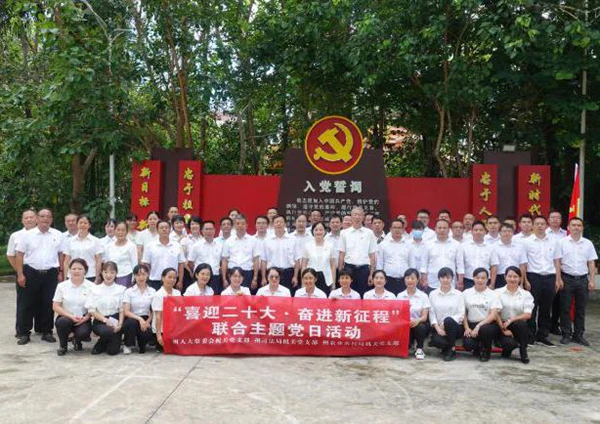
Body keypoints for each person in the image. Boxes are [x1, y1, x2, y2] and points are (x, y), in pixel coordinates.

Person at [15, 208, 63, 345]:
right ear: (37, 218)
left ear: (51, 219)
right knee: (26, 303)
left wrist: (60, 272)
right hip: (31, 272)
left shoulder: (58, 234)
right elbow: (19, 255)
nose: (45, 219)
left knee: (48, 303)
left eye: (48, 216)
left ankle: (46, 331)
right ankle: (24, 333)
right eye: (42, 216)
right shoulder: (27, 235)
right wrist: (20, 274)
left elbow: (60, 254)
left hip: (51, 273)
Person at [522, 215, 561, 347]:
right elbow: (524, 263)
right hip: (533, 277)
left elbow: (556, 261)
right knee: (532, 307)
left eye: (542, 224)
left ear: (546, 226)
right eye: (537, 224)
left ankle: (542, 336)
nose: (540, 226)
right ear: (533, 226)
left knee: (546, 307)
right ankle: (530, 335)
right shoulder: (527, 242)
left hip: (550, 277)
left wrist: (558, 279)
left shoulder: (553, 241)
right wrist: (525, 280)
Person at [558, 217, 597, 346]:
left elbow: (591, 263)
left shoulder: (588, 243)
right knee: (565, 308)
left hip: (582, 280)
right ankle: (566, 334)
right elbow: (557, 262)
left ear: (582, 228)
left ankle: (578, 335)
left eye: (579, 225)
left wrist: (592, 280)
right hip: (566, 278)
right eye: (573, 225)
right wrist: (558, 278)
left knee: (581, 309)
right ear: (568, 227)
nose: (576, 227)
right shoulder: (562, 242)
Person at [52, 258, 94, 356]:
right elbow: (55, 306)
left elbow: (94, 307)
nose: (76, 271)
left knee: (83, 333)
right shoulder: (62, 286)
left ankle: (76, 340)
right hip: (66, 316)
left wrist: (86, 318)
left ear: (85, 271)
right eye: (74, 269)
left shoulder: (92, 287)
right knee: (62, 322)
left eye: (80, 269)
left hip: (83, 317)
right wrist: (71, 316)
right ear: (69, 270)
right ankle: (63, 346)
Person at [6, 209, 38, 336]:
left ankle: (42, 328)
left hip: (41, 271)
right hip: (24, 271)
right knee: (24, 303)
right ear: (22, 220)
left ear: (36, 219)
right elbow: (10, 255)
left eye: (31, 217)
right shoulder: (16, 235)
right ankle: (22, 330)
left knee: (41, 301)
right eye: (26, 218)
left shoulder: (43, 234)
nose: (29, 219)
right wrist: (19, 271)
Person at [495, 266, 534, 363]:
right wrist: (503, 329)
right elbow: (496, 313)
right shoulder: (497, 293)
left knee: (521, 324)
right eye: (510, 276)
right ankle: (507, 349)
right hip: (501, 324)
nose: (512, 279)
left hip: (518, 325)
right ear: (505, 277)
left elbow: (528, 314)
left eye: (515, 276)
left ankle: (523, 352)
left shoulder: (526, 294)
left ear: (520, 278)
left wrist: (511, 320)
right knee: (508, 344)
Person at [86, 262, 125, 355]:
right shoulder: (94, 289)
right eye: (106, 272)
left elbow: (122, 310)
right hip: (100, 320)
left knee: (113, 351)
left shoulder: (121, 289)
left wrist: (120, 324)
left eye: (112, 272)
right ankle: (101, 344)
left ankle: (108, 342)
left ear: (116, 274)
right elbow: (91, 310)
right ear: (101, 272)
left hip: (115, 320)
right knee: (107, 331)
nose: (108, 275)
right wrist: (105, 320)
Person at [462, 268, 501, 361]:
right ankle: (478, 348)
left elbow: (493, 315)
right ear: (473, 278)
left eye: (483, 278)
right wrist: (467, 328)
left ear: (487, 279)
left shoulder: (493, 294)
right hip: (471, 324)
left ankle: (486, 351)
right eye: (477, 277)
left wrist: (478, 326)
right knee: (468, 344)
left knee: (485, 330)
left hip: (487, 324)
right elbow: (463, 312)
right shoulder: (466, 293)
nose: (480, 280)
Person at [338, 206, 377, 297]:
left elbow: (372, 255)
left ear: (363, 217)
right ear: (351, 216)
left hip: (364, 269)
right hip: (348, 268)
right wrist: (340, 273)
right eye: (355, 214)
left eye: (359, 215)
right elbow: (341, 254)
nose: (357, 217)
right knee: (348, 295)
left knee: (362, 295)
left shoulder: (369, 233)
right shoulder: (344, 233)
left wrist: (371, 274)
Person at [428, 267, 465, 361]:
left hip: (455, 327)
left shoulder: (459, 294)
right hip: (439, 328)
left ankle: (451, 350)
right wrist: (437, 328)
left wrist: (445, 323)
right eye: (443, 277)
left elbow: (461, 314)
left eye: (448, 277)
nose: (445, 280)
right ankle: (448, 348)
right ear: (439, 278)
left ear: (452, 279)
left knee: (448, 320)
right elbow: (431, 313)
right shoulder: (432, 294)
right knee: (436, 341)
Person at [420, 219, 464, 293]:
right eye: (439, 228)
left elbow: (460, 265)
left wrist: (460, 281)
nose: (442, 230)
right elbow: (424, 264)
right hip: (432, 282)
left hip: (450, 282)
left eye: (444, 228)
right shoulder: (428, 244)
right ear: (435, 229)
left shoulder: (456, 245)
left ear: (449, 230)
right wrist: (424, 279)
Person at [397, 268, 430, 360]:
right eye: (407, 278)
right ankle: (409, 344)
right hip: (405, 325)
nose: (410, 280)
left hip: (418, 324)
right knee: (405, 347)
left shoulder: (423, 296)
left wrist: (417, 320)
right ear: (404, 280)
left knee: (421, 327)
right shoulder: (400, 296)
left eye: (412, 278)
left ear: (418, 280)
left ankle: (419, 349)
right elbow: (397, 314)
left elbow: (424, 317)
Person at [221, 214, 260, 292]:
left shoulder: (253, 240)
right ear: (234, 225)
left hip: (247, 273)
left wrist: (255, 278)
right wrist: (224, 279)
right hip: (232, 272)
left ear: (246, 225)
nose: (240, 226)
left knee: (246, 296)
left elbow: (256, 260)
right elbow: (224, 261)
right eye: (238, 223)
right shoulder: (228, 241)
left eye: (243, 223)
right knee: (231, 296)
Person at [142, 220, 185, 291]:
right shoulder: (150, 246)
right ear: (157, 230)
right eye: (161, 228)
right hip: (155, 280)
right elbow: (146, 264)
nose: (164, 229)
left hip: (173, 281)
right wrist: (147, 279)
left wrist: (180, 281)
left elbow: (181, 265)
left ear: (170, 230)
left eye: (166, 227)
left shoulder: (177, 246)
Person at [122, 264, 156, 354]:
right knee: (131, 323)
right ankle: (127, 344)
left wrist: (148, 321)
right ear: (134, 276)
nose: (141, 277)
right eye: (138, 275)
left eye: (144, 274)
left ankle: (141, 342)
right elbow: (126, 311)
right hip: (132, 317)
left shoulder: (152, 291)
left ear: (147, 275)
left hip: (146, 318)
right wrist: (140, 319)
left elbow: (154, 310)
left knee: (143, 346)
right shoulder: (129, 291)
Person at [376, 219, 415, 295]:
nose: (397, 230)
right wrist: (380, 279)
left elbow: (412, 264)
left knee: (404, 301)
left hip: (405, 280)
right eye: (394, 227)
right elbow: (379, 265)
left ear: (403, 229)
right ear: (390, 229)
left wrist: (412, 279)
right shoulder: (383, 245)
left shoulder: (409, 245)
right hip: (388, 280)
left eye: (399, 228)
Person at [62, 215, 102, 283]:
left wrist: (97, 276)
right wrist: (65, 278)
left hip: (90, 275)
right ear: (77, 224)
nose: (83, 225)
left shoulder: (96, 241)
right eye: (80, 223)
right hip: (73, 275)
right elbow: (66, 261)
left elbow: (98, 260)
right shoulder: (69, 241)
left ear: (89, 225)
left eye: (85, 223)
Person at [461, 220, 499, 289]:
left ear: (485, 232)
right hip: (468, 280)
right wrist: (460, 281)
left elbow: (494, 266)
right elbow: (460, 265)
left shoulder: (491, 247)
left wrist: (492, 283)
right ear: (471, 232)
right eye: (476, 230)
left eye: (481, 230)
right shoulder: (463, 246)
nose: (478, 232)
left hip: (485, 281)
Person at [187, 220, 222, 294]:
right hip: (200, 278)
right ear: (202, 231)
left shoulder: (219, 245)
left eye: (211, 229)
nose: (209, 231)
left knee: (214, 298)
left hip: (215, 277)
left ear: (214, 230)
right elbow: (190, 262)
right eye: (206, 229)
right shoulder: (196, 245)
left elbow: (222, 261)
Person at [152, 267, 181, 352]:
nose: (172, 280)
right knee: (166, 348)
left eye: (174, 278)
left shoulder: (177, 293)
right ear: (163, 278)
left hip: (175, 328)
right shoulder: (158, 295)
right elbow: (158, 317)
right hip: (162, 329)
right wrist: (158, 336)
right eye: (169, 277)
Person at [302, 222, 336, 295]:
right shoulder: (307, 245)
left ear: (324, 231)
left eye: (321, 230)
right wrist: (303, 282)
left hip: (326, 278)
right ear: (312, 231)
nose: (318, 232)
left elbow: (333, 266)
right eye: (316, 230)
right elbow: (304, 265)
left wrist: (333, 283)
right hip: (310, 277)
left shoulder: (330, 245)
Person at [103, 221, 138, 288]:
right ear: (114, 231)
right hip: (111, 277)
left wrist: (134, 279)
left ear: (126, 232)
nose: (120, 232)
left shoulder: (131, 246)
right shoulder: (108, 247)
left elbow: (134, 263)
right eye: (118, 230)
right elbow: (107, 264)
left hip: (126, 276)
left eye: (123, 230)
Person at [492, 223, 527, 289]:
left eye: (509, 231)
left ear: (513, 233)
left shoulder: (520, 247)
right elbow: (494, 267)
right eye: (504, 231)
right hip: (500, 277)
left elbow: (522, 266)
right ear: (499, 233)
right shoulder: (493, 247)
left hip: (516, 277)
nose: (507, 233)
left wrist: (521, 283)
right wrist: (492, 284)